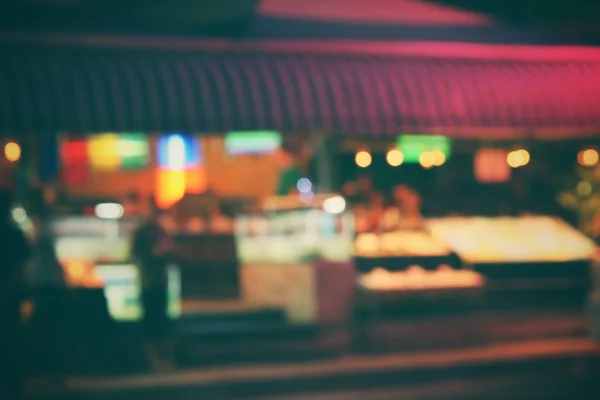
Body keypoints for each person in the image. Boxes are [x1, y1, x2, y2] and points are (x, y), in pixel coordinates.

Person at [131, 204, 175, 371]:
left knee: (157, 320)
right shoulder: (151, 233)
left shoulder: (156, 232)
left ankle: (160, 359)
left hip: (154, 282)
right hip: (151, 281)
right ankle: (157, 360)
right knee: (154, 320)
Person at [0, 190, 31, 399]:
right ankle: (13, 385)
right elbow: (22, 269)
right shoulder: (15, 234)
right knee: (11, 342)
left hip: (10, 297)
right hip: (11, 298)